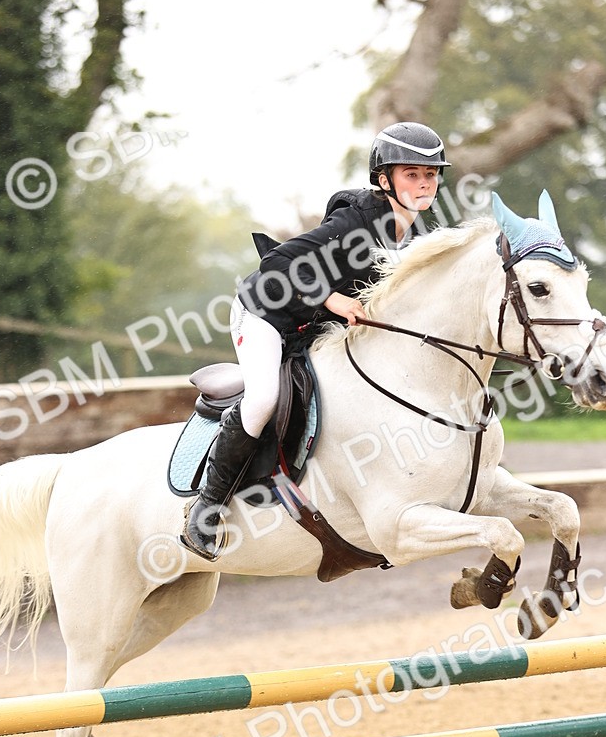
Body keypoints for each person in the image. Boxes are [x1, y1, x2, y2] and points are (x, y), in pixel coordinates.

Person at [179, 121, 452, 560]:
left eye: (430, 175)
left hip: (315, 326)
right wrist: (335, 299)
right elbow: (280, 262)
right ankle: (206, 508)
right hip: (266, 310)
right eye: (411, 175)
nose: (423, 184)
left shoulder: (415, 236)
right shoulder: (355, 221)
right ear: (384, 179)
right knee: (264, 397)